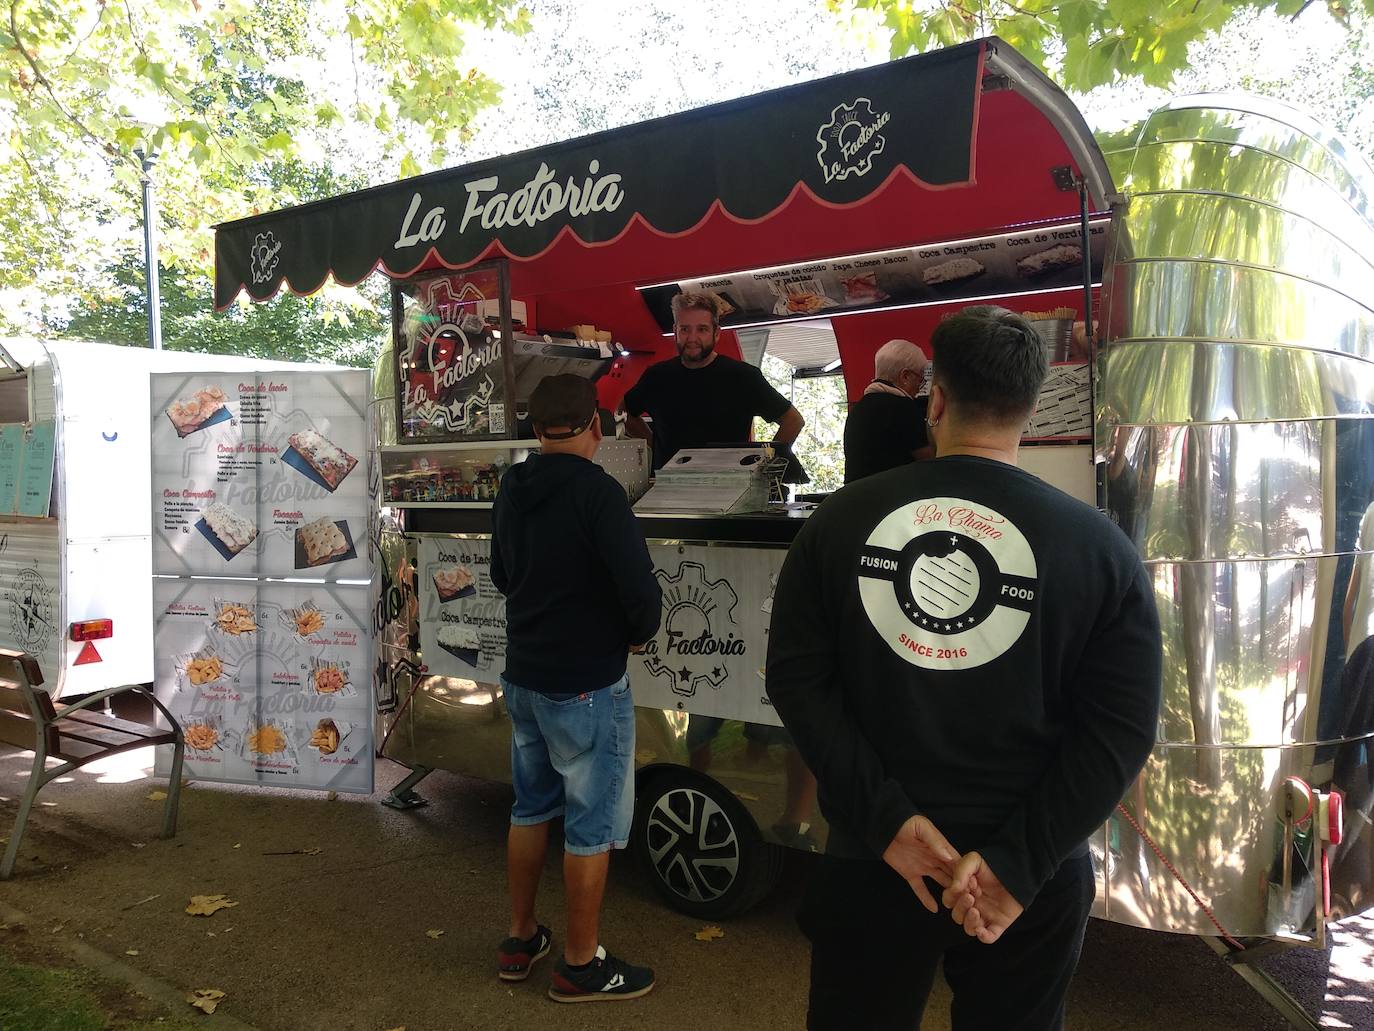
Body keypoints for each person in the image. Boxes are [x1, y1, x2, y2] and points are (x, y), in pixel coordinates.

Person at [765, 305, 1163, 1030]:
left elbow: (797, 682)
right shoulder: (1100, 549)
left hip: (875, 861)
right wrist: (1019, 860)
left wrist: (887, 823)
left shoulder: (836, 526)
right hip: (1029, 880)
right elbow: (1123, 727)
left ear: (936, 399)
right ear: (1032, 409)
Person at [490, 374, 662, 1004]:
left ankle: (519, 937)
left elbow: (501, 573)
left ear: (536, 430)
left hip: (525, 675)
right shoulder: (600, 493)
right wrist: (639, 631)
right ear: (596, 424)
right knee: (591, 825)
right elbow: (638, 587)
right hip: (588, 682)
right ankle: (580, 964)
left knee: (530, 806)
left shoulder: (513, 485)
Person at [621, 290, 805, 467]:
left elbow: (793, 420)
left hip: (730, 489)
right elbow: (625, 413)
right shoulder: (657, 376)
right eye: (685, 329)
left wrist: (764, 464)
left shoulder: (743, 377)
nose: (692, 338)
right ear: (675, 330)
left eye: (702, 329)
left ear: (716, 333)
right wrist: (653, 446)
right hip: (669, 488)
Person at [842, 337, 933, 483]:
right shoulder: (902, 407)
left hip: (856, 496)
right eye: (919, 379)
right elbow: (929, 460)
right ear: (905, 376)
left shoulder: (858, 409)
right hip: (891, 498)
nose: (919, 388)